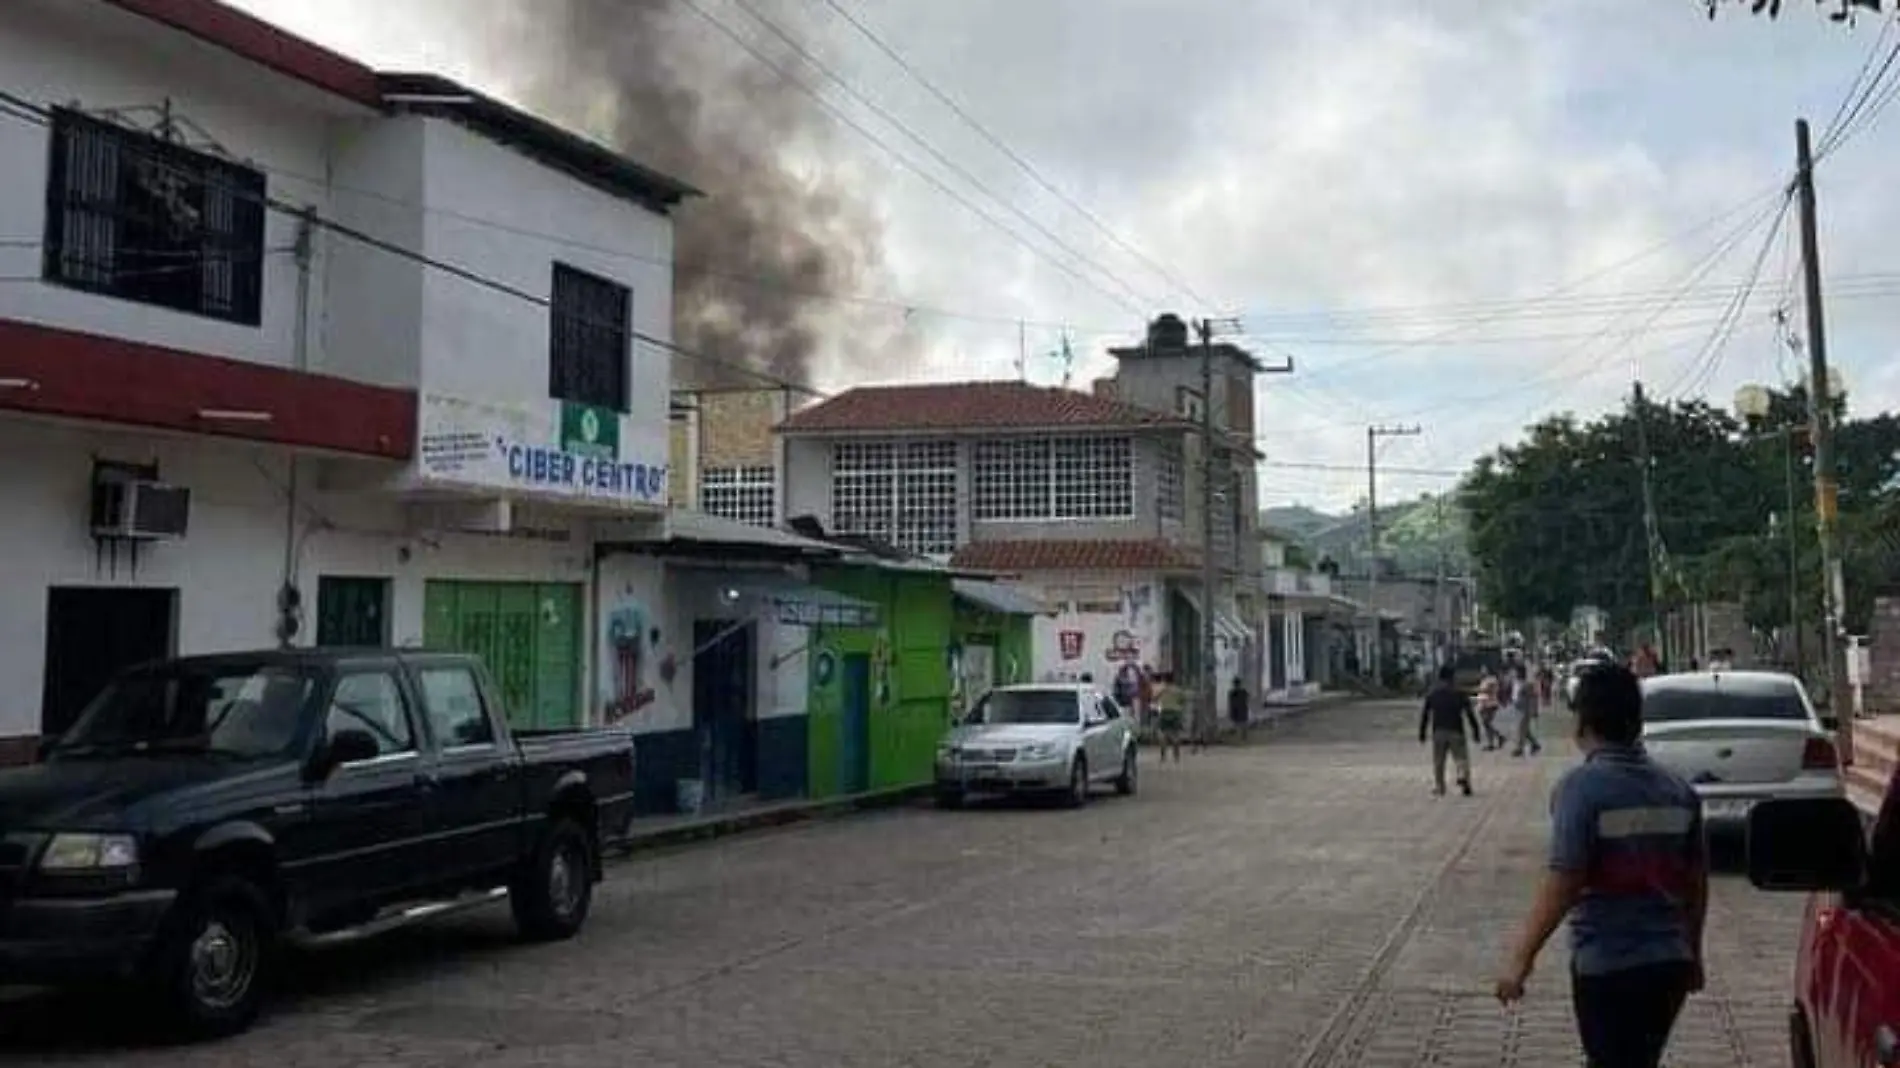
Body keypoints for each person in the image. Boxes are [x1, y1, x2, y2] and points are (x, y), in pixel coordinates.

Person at [1494, 661, 1707, 1068]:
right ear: (1637, 723)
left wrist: (1521, 958)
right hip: (1668, 964)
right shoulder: (1678, 791)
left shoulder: (1581, 789)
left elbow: (1565, 880)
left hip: (1607, 964)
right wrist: (1694, 954)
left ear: (1583, 724)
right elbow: (1695, 885)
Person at [1419, 664, 1481, 796]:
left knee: (1439, 761)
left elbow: (1425, 714)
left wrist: (1422, 732)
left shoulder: (1433, 693)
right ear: (1453, 677)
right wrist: (1476, 730)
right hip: (1456, 730)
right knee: (1461, 758)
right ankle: (1463, 776)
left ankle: (1440, 787)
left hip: (1439, 730)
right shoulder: (1460, 693)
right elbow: (1469, 713)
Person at [1510, 662, 1543, 757]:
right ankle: (1535, 744)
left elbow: (1533, 698)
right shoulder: (1516, 682)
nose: (1514, 673)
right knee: (1525, 730)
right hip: (1517, 708)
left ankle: (1519, 748)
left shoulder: (1527, 684)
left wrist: (1534, 711)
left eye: (1516, 672)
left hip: (1525, 709)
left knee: (1521, 729)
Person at [1153, 673, 1185, 763]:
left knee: (1163, 734)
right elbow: (1182, 701)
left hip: (1165, 712)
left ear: (1165, 681)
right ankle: (1176, 756)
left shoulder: (1163, 690)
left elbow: (1155, 698)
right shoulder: (1178, 690)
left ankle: (1163, 756)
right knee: (1176, 734)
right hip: (1175, 712)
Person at [1476, 667, 1506, 750]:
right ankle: (1491, 743)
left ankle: (1499, 737)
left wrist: (1482, 690)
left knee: (1487, 723)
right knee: (1486, 725)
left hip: (1490, 704)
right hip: (1483, 705)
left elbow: (1491, 689)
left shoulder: (1491, 680)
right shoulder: (1483, 681)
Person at [1227, 676, 1251, 741]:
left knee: (1237, 723)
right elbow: (1248, 699)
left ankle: (1239, 734)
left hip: (1237, 710)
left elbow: (1231, 703)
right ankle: (1243, 736)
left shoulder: (1232, 693)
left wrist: (1230, 711)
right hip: (1242, 709)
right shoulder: (1243, 692)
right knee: (1243, 724)